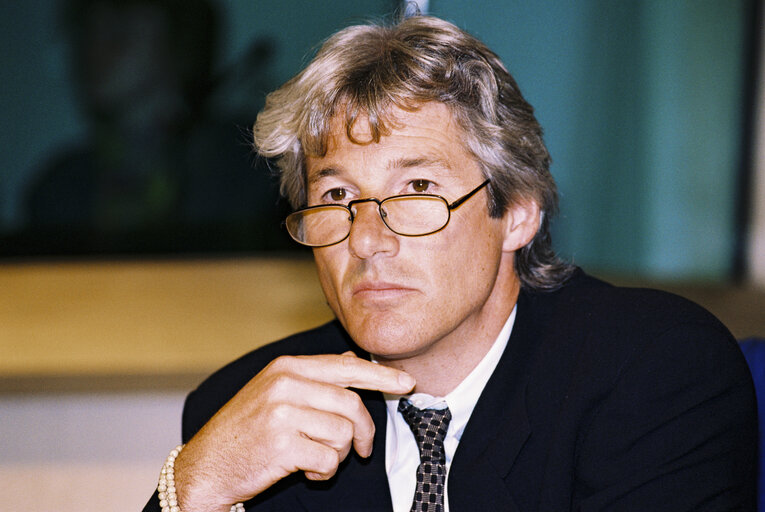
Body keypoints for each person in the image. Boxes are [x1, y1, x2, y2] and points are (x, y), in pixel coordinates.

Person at [144, 14, 756, 512]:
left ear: (516, 212)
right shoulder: (254, 408)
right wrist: (193, 489)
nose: (366, 240)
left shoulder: (655, 370)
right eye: (336, 197)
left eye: (415, 190)